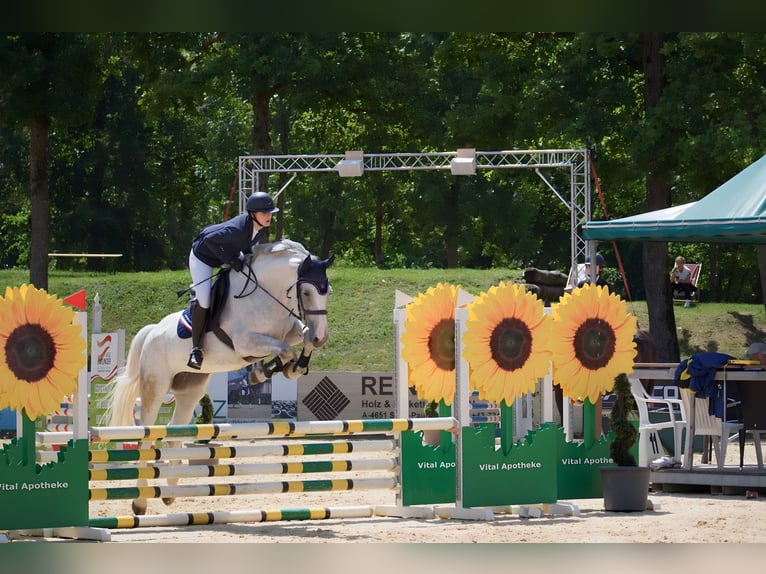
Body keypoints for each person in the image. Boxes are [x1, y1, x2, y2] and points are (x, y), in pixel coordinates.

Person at [186, 191, 279, 370]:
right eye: (264, 213)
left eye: (270, 213)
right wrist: (229, 259)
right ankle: (196, 350)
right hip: (203, 257)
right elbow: (208, 240)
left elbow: (245, 247)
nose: (269, 216)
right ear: (253, 214)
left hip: (224, 252)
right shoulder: (236, 229)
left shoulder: (260, 229)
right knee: (204, 300)